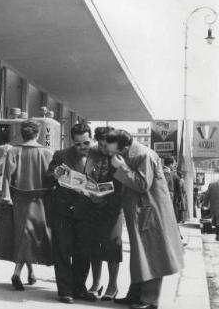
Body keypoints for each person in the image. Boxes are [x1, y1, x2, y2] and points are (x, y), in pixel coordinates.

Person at [107, 129, 184, 309]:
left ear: (125, 146)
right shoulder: (131, 153)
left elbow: (142, 184)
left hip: (150, 211)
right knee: (139, 254)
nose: (113, 155)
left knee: (152, 253)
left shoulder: (144, 155)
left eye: (115, 151)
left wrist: (122, 167)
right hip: (140, 211)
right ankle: (135, 295)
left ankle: (149, 300)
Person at [0, 119, 53, 291]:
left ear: (22, 134)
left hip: (18, 200)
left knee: (23, 236)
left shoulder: (14, 151)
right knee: (29, 236)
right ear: (38, 134)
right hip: (39, 201)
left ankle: (30, 272)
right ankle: (17, 273)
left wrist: (5, 197)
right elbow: (51, 180)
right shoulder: (47, 153)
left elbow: (6, 177)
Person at [46, 122, 96, 304]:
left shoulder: (98, 156)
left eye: (86, 143)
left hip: (87, 212)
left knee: (83, 253)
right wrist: (55, 175)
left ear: (91, 139)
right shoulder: (61, 155)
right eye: (78, 144)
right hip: (63, 212)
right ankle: (65, 291)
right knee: (63, 252)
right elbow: (47, 179)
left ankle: (79, 288)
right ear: (71, 141)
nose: (82, 147)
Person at [85, 126, 123, 301]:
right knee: (94, 245)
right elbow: (87, 175)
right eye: (99, 145)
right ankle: (96, 283)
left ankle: (113, 285)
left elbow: (123, 185)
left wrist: (106, 199)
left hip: (113, 207)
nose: (102, 149)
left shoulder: (118, 155)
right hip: (93, 204)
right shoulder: (93, 153)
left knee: (112, 245)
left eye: (105, 145)